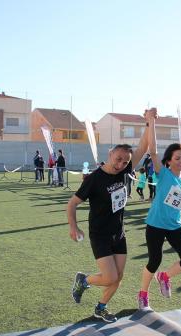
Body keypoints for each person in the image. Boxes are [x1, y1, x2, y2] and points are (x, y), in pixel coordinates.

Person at [68, 110, 150, 323]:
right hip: (100, 235)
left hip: (119, 234)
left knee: (118, 278)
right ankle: (83, 280)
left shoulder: (124, 172)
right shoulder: (94, 179)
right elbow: (72, 203)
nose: (121, 164)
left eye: (125, 162)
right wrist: (73, 227)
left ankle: (101, 308)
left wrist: (149, 122)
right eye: (119, 159)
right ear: (110, 153)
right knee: (110, 277)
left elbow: (143, 148)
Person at [137, 110, 181, 311]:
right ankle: (143, 294)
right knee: (154, 260)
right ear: (168, 161)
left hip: (175, 225)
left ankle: (165, 276)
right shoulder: (164, 173)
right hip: (156, 225)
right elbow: (154, 151)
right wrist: (151, 122)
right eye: (177, 157)